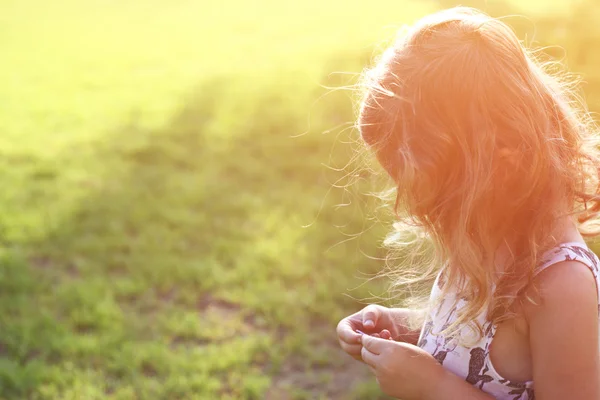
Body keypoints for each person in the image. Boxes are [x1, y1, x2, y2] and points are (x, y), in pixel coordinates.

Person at [336, 6, 600, 400]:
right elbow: (479, 338)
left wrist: (433, 387)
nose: (424, 212)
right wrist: (399, 328)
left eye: (440, 196)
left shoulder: (562, 287)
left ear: (499, 168)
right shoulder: (485, 237)